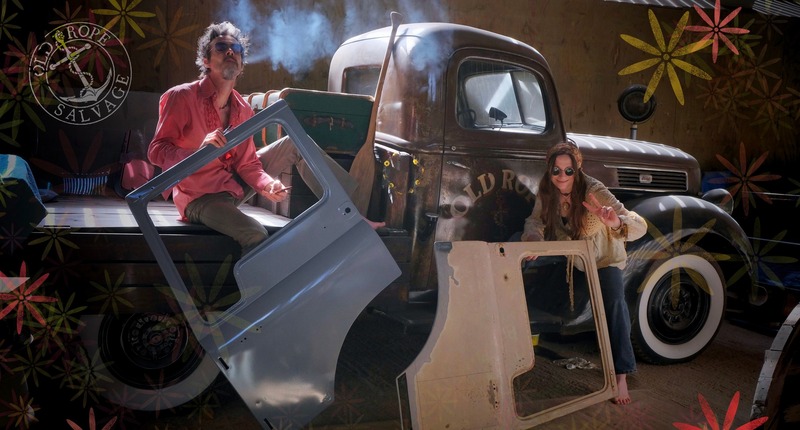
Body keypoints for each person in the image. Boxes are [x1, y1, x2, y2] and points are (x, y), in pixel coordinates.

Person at [148, 21, 380, 255]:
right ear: (206, 61)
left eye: (236, 49)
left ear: (240, 66)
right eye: (220, 47)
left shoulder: (243, 109)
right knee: (256, 233)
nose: (230, 51)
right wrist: (198, 151)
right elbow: (156, 151)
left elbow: (247, 164)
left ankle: (349, 212)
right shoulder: (181, 97)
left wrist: (267, 184)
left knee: (293, 143)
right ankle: (254, 292)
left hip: (231, 186)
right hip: (198, 199)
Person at [521, 141, 647, 405]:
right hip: (571, 257)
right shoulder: (546, 189)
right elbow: (535, 220)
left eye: (569, 171)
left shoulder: (594, 190)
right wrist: (533, 236)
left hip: (603, 259)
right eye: (557, 170)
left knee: (614, 303)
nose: (562, 177)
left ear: (578, 170)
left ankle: (621, 375)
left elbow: (638, 226)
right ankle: (517, 344)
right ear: (549, 169)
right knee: (516, 254)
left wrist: (615, 221)